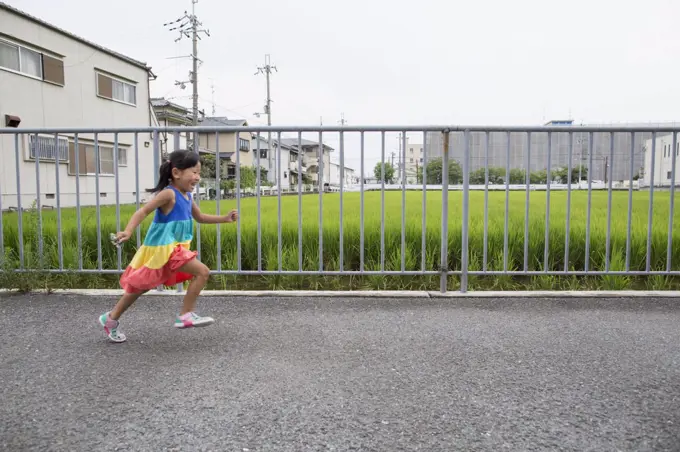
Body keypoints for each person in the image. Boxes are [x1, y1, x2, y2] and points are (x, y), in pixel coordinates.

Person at [98, 149, 238, 343]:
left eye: (199, 173)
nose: (198, 177)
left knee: (139, 289)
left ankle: (110, 319)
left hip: (175, 248)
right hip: (163, 248)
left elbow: (201, 217)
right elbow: (143, 211)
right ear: (176, 172)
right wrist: (128, 231)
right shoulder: (169, 194)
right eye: (194, 172)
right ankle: (186, 315)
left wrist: (225, 218)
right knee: (202, 272)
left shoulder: (187, 196)